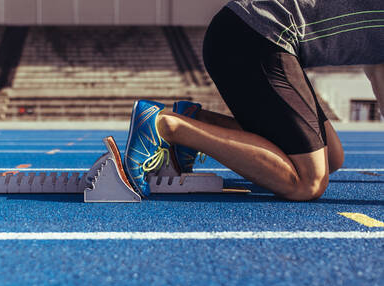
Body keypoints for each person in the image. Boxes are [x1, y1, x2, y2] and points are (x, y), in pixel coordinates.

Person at [123, 0, 384, 201]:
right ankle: (165, 126)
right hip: (256, 37)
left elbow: (378, 74)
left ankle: (195, 120)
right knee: (308, 183)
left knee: (333, 157)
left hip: (254, 34)